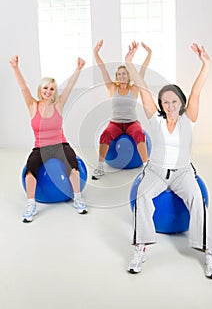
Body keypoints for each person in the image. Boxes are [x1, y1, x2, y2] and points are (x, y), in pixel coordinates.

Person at [124, 42, 212, 279]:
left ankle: (209, 252)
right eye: (165, 102)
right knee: (142, 196)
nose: (170, 106)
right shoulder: (155, 120)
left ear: (181, 103)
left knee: (197, 200)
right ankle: (141, 248)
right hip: (155, 171)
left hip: (182, 172)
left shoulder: (189, 118)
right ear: (161, 104)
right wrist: (129, 63)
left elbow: (197, 90)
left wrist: (205, 65)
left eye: (174, 101)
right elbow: (142, 87)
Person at [9, 55, 88, 222]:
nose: (48, 91)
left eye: (52, 89)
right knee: (30, 170)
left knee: (73, 166)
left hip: (60, 144)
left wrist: (78, 69)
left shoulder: (58, 104)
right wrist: (16, 68)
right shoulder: (33, 105)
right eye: (45, 88)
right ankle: (31, 204)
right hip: (40, 147)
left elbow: (70, 87)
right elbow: (23, 88)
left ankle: (78, 198)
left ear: (54, 92)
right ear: (40, 90)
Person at [92, 39, 151, 180]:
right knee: (105, 134)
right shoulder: (112, 88)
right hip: (115, 123)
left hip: (132, 122)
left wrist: (149, 53)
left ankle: (146, 168)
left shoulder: (134, 88)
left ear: (128, 75)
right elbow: (102, 69)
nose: (121, 76)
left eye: (124, 73)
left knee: (138, 133)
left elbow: (143, 70)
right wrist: (96, 53)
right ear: (116, 77)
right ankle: (100, 167)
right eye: (119, 74)